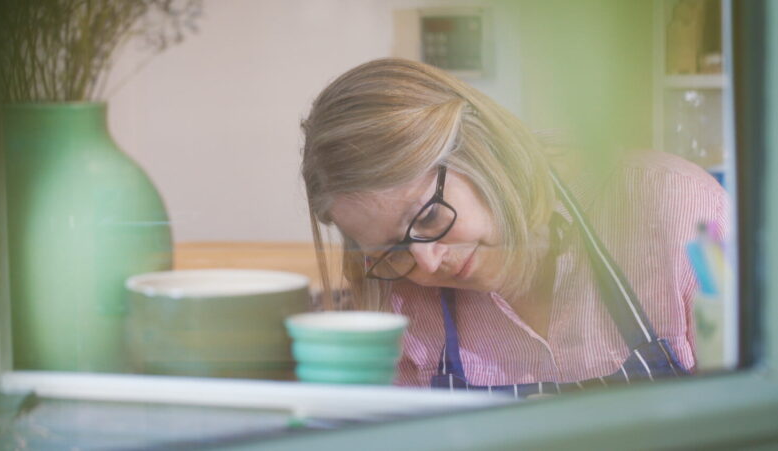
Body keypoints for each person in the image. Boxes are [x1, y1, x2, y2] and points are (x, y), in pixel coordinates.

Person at [300, 58, 728, 396]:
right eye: (394, 252)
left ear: (480, 150)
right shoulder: (397, 301)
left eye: (428, 217)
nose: (427, 263)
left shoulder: (674, 207)